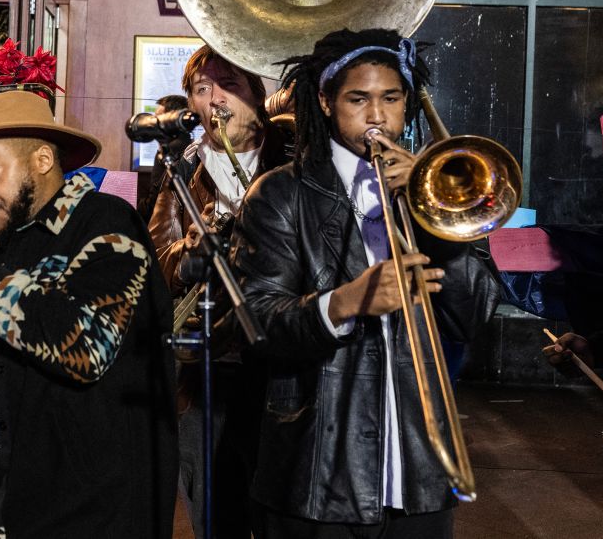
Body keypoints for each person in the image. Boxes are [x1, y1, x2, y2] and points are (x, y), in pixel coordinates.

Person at [232, 29, 504, 537]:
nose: (377, 116)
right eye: (358, 99)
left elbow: (474, 316)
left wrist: (434, 223)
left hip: (420, 472)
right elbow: (253, 323)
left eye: (391, 99)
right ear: (327, 102)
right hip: (317, 473)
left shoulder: (440, 188)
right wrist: (344, 302)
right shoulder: (281, 194)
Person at [0, 90, 178, 538]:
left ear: (43, 160)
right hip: (18, 502)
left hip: (100, 508)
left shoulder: (107, 222)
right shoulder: (5, 247)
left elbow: (86, 348)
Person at [147, 45, 289, 539]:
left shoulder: (290, 153)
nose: (215, 100)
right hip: (205, 367)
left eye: (228, 83)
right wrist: (185, 258)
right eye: (201, 89)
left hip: (279, 362)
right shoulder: (182, 165)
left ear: (257, 92)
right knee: (213, 510)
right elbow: (156, 257)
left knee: (280, 502)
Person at [138, 94, 192, 221]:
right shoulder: (186, 146)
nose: (153, 122)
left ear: (173, 120)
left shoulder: (171, 152)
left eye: (159, 117)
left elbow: (157, 202)